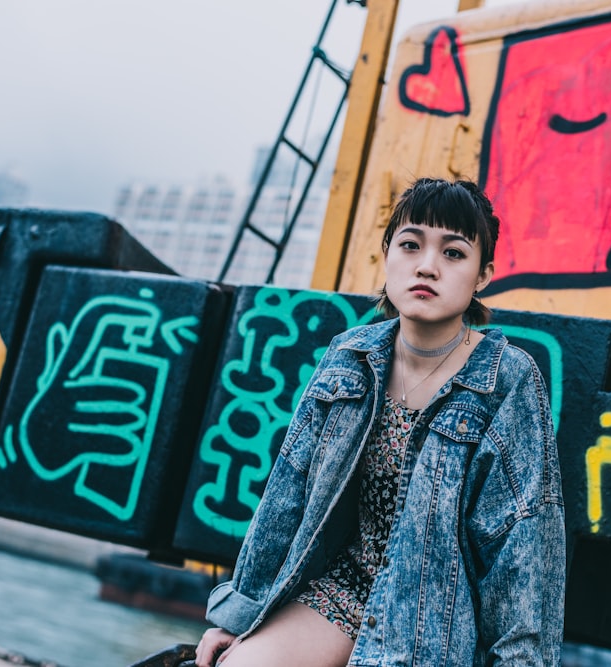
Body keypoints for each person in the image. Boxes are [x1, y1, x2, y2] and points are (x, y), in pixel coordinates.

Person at [195, 177, 565, 667]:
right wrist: (237, 618)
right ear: (387, 254)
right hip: (342, 590)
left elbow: (523, 546)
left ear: (482, 276)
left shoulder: (508, 381)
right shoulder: (349, 357)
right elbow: (288, 494)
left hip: (432, 622)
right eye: (410, 245)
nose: (427, 266)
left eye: (453, 253)